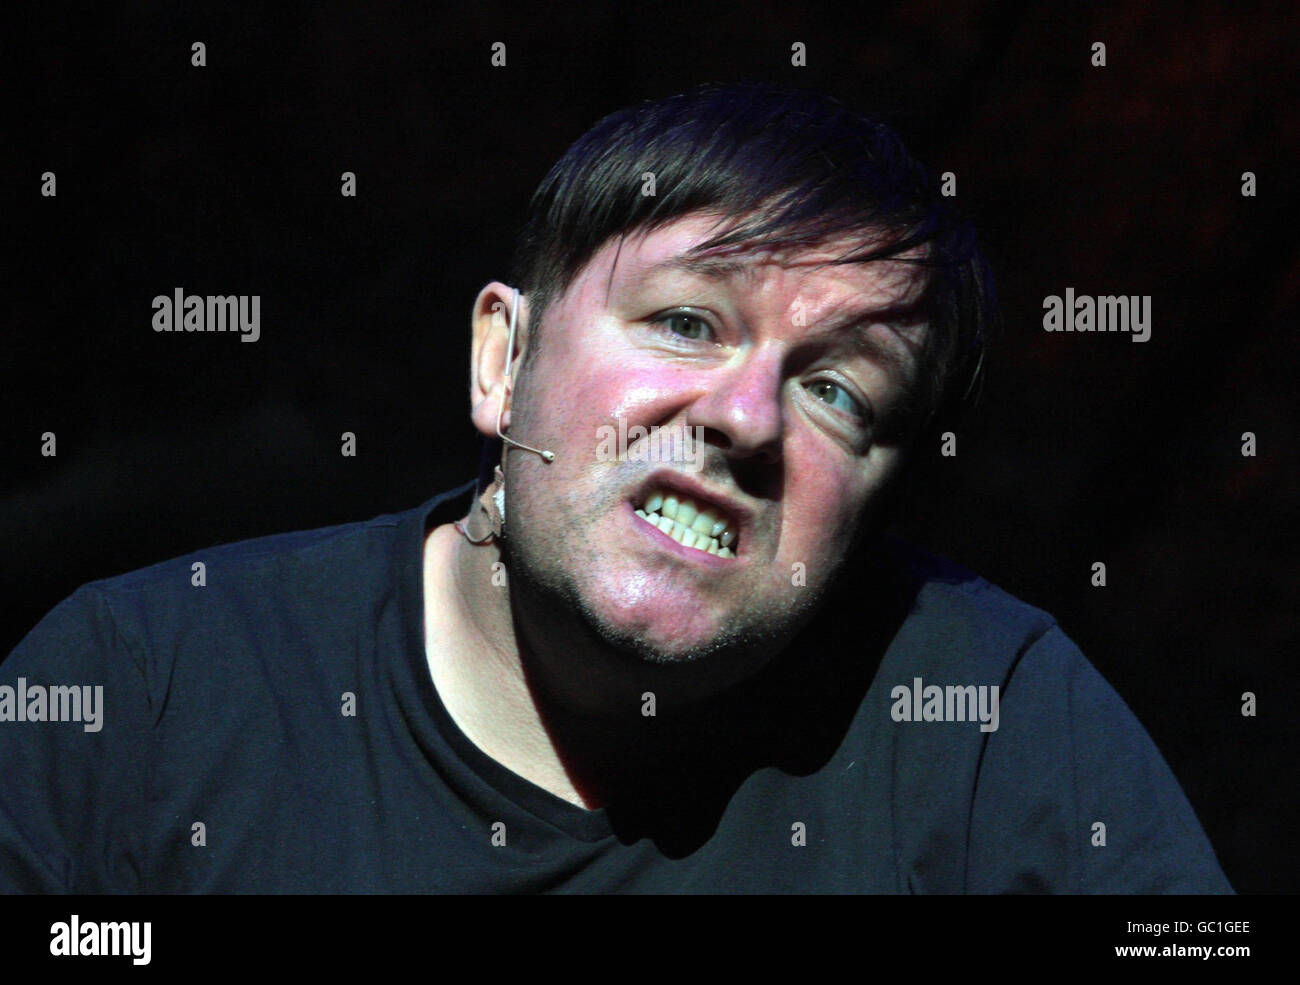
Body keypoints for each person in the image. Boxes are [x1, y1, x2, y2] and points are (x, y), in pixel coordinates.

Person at [0, 81, 1231, 893]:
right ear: (504, 357)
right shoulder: (139, 693)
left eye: (839, 392)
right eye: (688, 321)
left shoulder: (987, 722)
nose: (744, 417)